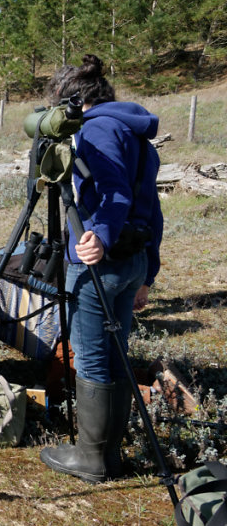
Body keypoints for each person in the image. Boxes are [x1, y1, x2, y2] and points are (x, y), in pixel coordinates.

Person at [39, 54, 163, 483]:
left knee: (92, 358)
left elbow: (114, 194)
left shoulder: (97, 128)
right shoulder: (134, 131)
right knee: (115, 355)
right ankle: (109, 453)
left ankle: (90, 458)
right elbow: (152, 208)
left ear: (70, 102)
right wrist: (148, 274)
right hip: (133, 259)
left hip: (101, 263)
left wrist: (99, 237)